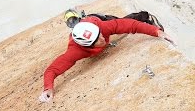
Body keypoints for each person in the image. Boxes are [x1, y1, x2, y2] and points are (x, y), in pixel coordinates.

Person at [39, 9, 175, 102]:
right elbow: (52, 70)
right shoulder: (76, 50)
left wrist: (157, 32)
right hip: (89, 24)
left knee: (121, 21)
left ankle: (145, 16)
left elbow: (130, 25)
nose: (103, 39)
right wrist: (48, 88)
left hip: (97, 19)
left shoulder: (102, 29)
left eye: (100, 36)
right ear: (88, 46)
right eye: (97, 40)